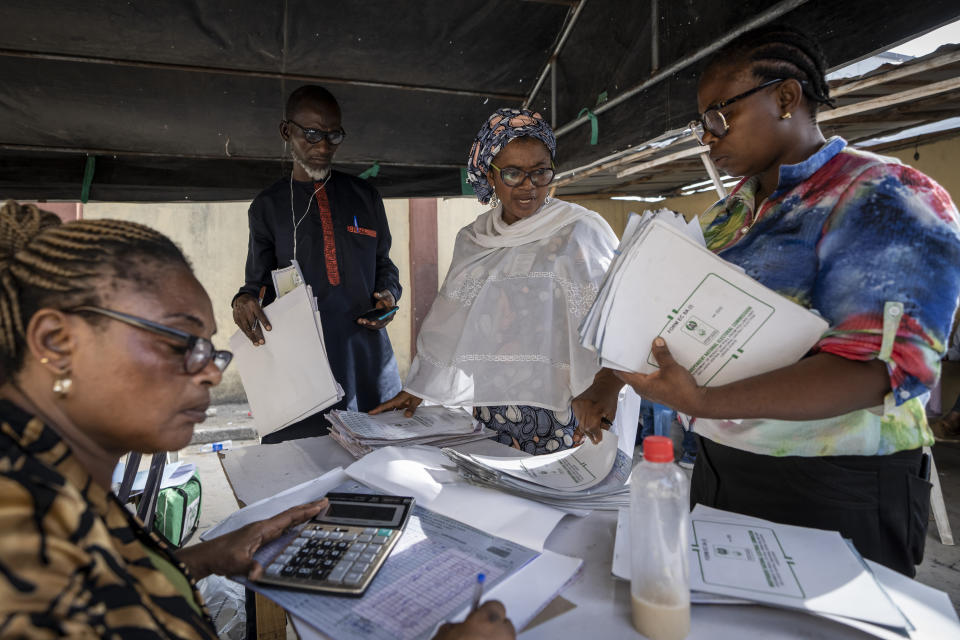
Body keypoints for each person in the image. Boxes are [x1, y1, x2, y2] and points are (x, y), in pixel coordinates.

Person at [0, 200, 516, 640]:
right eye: (180, 341)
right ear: (55, 343)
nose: (210, 371)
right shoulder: (28, 555)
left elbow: (109, 580)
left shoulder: (49, 479)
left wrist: (197, 561)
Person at [586, 25, 960, 577]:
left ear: (786, 97)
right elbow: (668, 319)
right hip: (722, 464)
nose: (708, 137)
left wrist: (705, 402)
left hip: (838, 481)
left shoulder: (882, 195)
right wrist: (607, 382)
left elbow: (878, 373)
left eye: (719, 115)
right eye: (701, 125)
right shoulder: (729, 215)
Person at [372, 108, 619, 454]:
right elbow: (452, 319)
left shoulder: (580, 233)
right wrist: (420, 387)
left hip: (568, 409)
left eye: (540, 172)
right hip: (490, 407)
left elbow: (620, 321)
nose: (529, 186)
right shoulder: (474, 239)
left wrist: (606, 387)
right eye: (513, 173)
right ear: (490, 175)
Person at [233, 85, 402, 443]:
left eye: (333, 135)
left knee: (381, 471)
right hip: (303, 368)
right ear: (286, 132)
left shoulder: (365, 197)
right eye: (311, 134)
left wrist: (388, 296)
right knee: (305, 474)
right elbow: (256, 285)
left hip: (366, 358)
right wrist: (243, 301)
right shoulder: (267, 207)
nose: (324, 146)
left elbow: (384, 266)